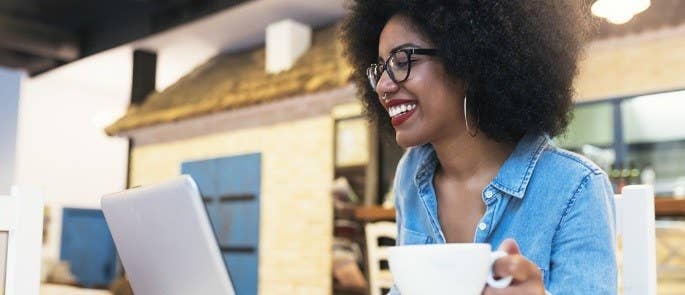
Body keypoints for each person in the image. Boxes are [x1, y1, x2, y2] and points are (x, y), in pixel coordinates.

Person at [340, 1, 616, 294]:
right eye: (380, 68)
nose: (383, 85)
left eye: (401, 60)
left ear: (467, 60)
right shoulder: (411, 173)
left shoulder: (576, 189)